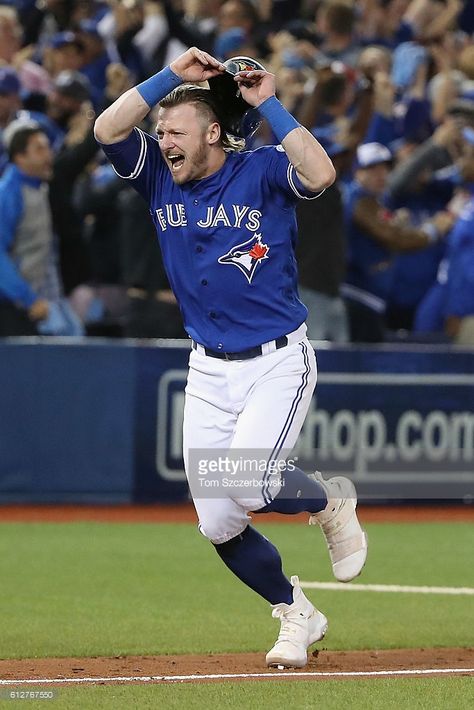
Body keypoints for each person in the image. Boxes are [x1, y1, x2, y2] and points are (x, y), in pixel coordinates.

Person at [94, 46, 367, 669]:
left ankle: (329, 502)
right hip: (208, 368)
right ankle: (296, 612)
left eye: (176, 130)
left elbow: (321, 174)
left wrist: (267, 102)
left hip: (276, 360)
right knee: (219, 520)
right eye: (160, 131)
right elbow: (106, 128)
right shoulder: (158, 174)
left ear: (213, 132)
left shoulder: (263, 168)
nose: (163, 140)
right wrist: (169, 79)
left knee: (248, 481)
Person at [0, 121, 82, 337]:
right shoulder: (8, 193)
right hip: (16, 306)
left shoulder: (39, 186)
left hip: (44, 300)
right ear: (20, 157)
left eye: (47, 147)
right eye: (39, 149)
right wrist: (28, 298)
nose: (49, 155)